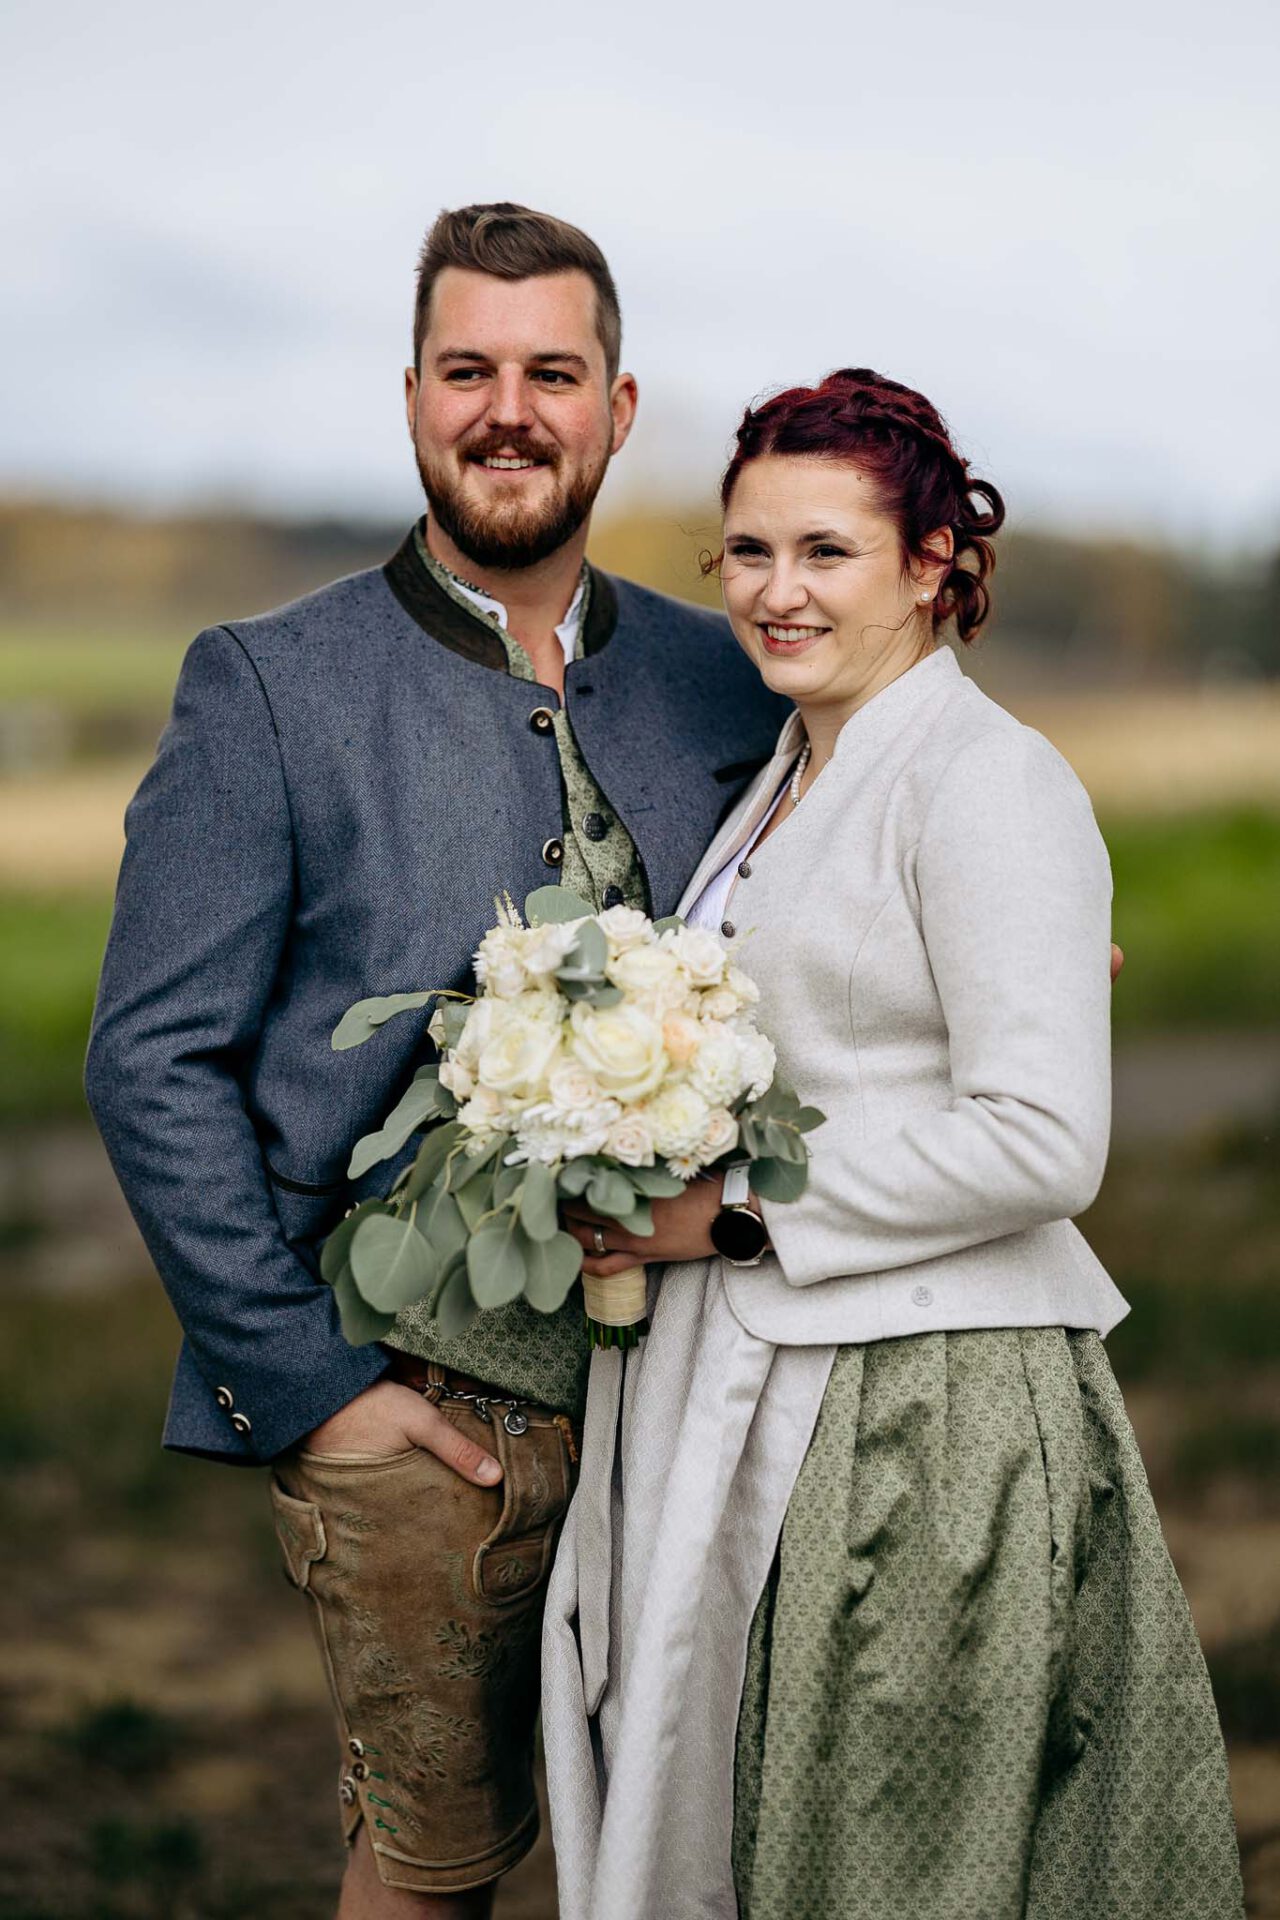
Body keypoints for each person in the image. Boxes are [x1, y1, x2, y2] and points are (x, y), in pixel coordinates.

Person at [83, 202, 790, 1917]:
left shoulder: (731, 677)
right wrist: (307, 1392)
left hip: (711, 1384)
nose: (509, 410)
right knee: (438, 1873)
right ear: (410, 398)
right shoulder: (264, 686)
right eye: (468, 369)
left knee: (716, 1846)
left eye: (554, 372)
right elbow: (151, 1060)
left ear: (621, 410)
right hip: (420, 1420)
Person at [544, 368, 1244, 1920]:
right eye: (747, 552)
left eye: (825, 553)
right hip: (754, 1376)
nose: (775, 594)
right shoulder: (796, 771)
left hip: (920, 1407)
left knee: (890, 1857)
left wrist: (725, 1217)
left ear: (931, 565)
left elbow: (1045, 1141)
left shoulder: (988, 779)